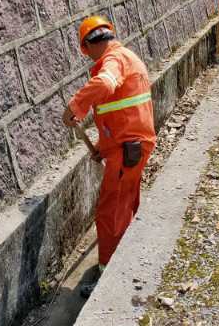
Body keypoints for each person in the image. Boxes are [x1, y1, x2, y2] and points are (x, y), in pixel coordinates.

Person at [62, 16, 156, 295]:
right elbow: (120, 114)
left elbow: (104, 84)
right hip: (130, 147)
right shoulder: (126, 57)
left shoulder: (113, 61)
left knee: (110, 211)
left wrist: (75, 106)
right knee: (126, 203)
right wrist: (103, 149)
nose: (88, 57)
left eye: (86, 52)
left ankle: (108, 278)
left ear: (88, 45)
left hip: (128, 150)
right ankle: (128, 256)